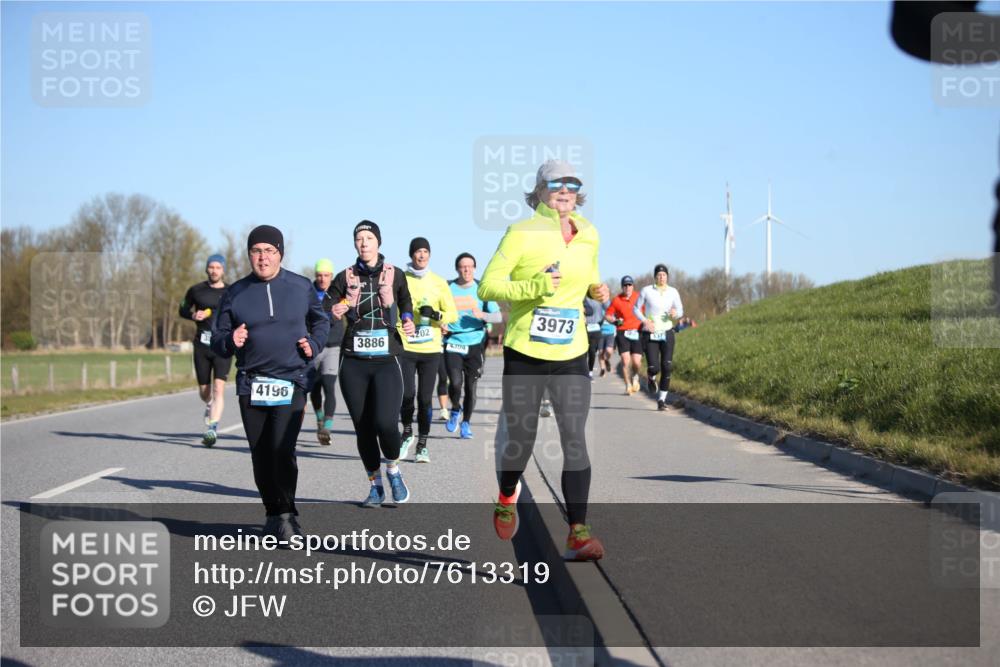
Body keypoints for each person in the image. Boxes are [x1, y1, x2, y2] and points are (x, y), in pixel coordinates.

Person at [480, 159, 610, 561]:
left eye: (572, 184)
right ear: (539, 190)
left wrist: (597, 290)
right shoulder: (521, 233)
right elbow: (488, 285)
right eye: (556, 184)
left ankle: (578, 532)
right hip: (526, 351)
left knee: (575, 437)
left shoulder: (589, 234)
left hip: (571, 351)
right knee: (522, 438)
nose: (565, 190)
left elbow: (590, 276)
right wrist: (533, 286)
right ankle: (507, 494)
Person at [211, 225, 329, 540]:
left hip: (292, 379)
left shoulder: (300, 287)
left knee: (282, 449)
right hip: (252, 383)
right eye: (256, 251)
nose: (262, 258)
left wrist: (314, 345)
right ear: (249, 255)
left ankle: (288, 515)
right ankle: (272, 513)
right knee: (261, 454)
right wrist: (230, 340)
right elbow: (217, 338)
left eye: (269, 251)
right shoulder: (235, 293)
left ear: (280, 254)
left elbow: (321, 321)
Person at [329, 221, 416, 506]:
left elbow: (406, 302)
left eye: (369, 237)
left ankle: (393, 469)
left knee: (386, 423)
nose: (364, 242)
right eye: (359, 238)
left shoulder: (395, 274)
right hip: (353, 362)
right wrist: (333, 309)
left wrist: (407, 319)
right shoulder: (345, 276)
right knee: (363, 427)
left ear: (378, 242)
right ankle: (375, 484)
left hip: (386, 359)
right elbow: (325, 304)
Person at [397, 237, 457, 463]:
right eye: (417, 251)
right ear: (411, 254)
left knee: (424, 399)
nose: (421, 255)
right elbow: (392, 308)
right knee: (406, 395)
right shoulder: (402, 279)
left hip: (430, 349)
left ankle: (422, 445)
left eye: (425, 251)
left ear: (429, 255)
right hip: (406, 346)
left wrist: (435, 315)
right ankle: (406, 433)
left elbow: (452, 314)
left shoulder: (439, 282)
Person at [444, 252, 502, 438]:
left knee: (470, 387)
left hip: (475, 343)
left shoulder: (481, 289)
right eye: (463, 266)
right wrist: (441, 323)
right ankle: (455, 408)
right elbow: (439, 310)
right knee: (455, 383)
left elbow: (498, 316)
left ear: (475, 268)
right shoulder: (448, 288)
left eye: (470, 266)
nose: (466, 270)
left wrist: (483, 315)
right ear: (457, 269)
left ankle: (466, 423)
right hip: (453, 341)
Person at [179, 254, 233, 447]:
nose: (214, 271)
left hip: (222, 346)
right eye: (211, 267)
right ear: (206, 269)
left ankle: (212, 428)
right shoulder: (196, 290)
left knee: (219, 388)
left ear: (223, 270)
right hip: (202, 345)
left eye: (218, 267)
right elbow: (182, 309)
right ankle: (209, 404)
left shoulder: (231, 292)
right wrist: (193, 315)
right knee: (205, 391)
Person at [635, 264, 684, 411]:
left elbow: (680, 310)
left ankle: (661, 400)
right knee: (654, 367)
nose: (661, 277)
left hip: (667, 332)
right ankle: (651, 377)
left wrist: (676, 313)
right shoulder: (647, 290)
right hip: (651, 332)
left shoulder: (673, 292)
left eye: (664, 275)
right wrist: (645, 321)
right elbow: (636, 308)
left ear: (667, 277)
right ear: (655, 277)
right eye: (659, 275)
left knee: (667, 366)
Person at [309, 258, 344, 445]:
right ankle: (319, 418)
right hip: (314, 346)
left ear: (331, 276)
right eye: (319, 275)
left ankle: (327, 428)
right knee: (314, 388)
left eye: (326, 275)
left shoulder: (338, 293)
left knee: (329, 386)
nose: (322, 279)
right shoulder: (309, 292)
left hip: (333, 346)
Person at [604, 276, 643, 395]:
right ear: (622, 287)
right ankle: (628, 385)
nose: (627, 287)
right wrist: (613, 320)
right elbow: (608, 315)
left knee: (636, 362)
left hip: (637, 331)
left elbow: (648, 311)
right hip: (622, 332)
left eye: (629, 285)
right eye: (625, 285)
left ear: (633, 286)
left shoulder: (639, 297)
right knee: (625, 361)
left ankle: (635, 376)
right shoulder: (617, 300)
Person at [583, 295, 609, 380]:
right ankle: (583, 371)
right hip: (584, 327)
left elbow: (608, 307)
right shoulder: (583, 296)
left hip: (596, 328)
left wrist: (605, 298)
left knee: (592, 351)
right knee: (584, 352)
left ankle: (590, 372)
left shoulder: (599, 297)